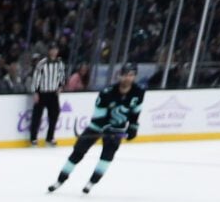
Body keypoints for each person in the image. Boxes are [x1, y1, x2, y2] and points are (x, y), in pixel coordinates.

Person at [49, 63, 144, 193]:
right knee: (78, 152)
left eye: (131, 75)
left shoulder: (139, 92)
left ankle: (92, 182)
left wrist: (133, 127)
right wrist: (106, 129)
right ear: (120, 75)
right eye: (125, 74)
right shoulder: (107, 92)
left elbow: (135, 112)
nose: (127, 78)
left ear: (134, 77)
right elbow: (98, 115)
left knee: (107, 157)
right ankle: (60, 179)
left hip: (117, 129)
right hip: (97, 127)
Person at [27, 48, 65, 146]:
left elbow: (61, 76)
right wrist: (35, 92)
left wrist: (60, 86)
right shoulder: (42, 63)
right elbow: (36, 78)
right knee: (37, 116)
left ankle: (50, 137)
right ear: (49, 51)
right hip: (42, 93)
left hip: (53, 93)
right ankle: (33, 138)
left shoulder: (60, 63)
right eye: (52, 50)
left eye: (55, 50)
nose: (54, 52)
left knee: (54, 115)